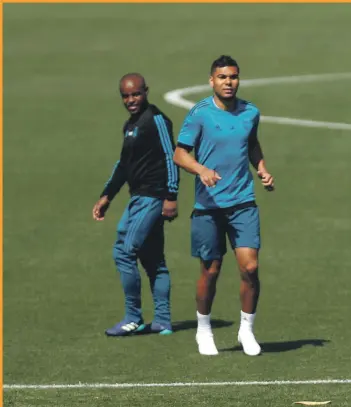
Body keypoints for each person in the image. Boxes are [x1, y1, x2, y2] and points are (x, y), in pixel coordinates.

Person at [173, 55, 274, 357]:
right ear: (212, 80)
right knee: (211, 270)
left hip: (243, 202)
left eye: (233, 77)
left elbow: (251, 144)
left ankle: (247, 329)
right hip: (208, 205)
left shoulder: (250, 112)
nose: (228, 83)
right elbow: (180, 154)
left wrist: (262, 169)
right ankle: (203, 330)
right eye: (222, 77)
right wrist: (201, 170)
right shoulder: (200, 114)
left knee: (251, 267)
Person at [94, 73, 179, 337]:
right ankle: (163, 321)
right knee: (153, 259)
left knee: (124, 251)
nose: (131, 100)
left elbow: (171, 156)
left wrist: (171, 196)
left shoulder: (157, 120)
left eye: (136, 94)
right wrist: (107, 195)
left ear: (146, 92)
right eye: (126, 96)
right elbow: (123, 165)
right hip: (138, 197)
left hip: (152, 197)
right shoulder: (130, 125)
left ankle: (133, 317)